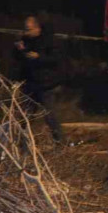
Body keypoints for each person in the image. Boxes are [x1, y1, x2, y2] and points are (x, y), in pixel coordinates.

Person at [14, 15, 65, 144]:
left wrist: (39, 57)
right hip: (30, 83)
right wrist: (20, 50)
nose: (26, 32)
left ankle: (60, 141)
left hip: (46, 84)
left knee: (49, 115)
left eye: (29, 29)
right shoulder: (25, 40)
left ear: (37, 28)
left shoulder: (49, 40)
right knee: (25, 116)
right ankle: (20, 142)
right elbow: (20, 59)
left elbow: (56, 59)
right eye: (25, 29)